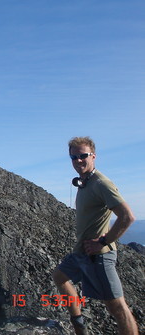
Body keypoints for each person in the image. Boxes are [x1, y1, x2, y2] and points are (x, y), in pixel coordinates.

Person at [52, 136, 138, 335]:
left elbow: (127, 217)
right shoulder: (85, 183)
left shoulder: (101, 183)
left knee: (117, 307)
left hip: (98, 256)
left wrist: (103, 242)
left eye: (83, 155)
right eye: (74, 157)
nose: (78, 160)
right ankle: (79, 325)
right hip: (81, 252)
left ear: (93, 156)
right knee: (59, 276)